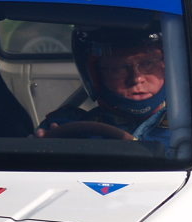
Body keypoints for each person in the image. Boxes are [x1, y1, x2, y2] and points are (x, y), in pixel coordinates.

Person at [37, 26, 170, 143]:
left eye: (148, 64)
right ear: (96, 75)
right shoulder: (67, 127)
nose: (137, 78)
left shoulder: (182, 125)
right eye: (118, 69)